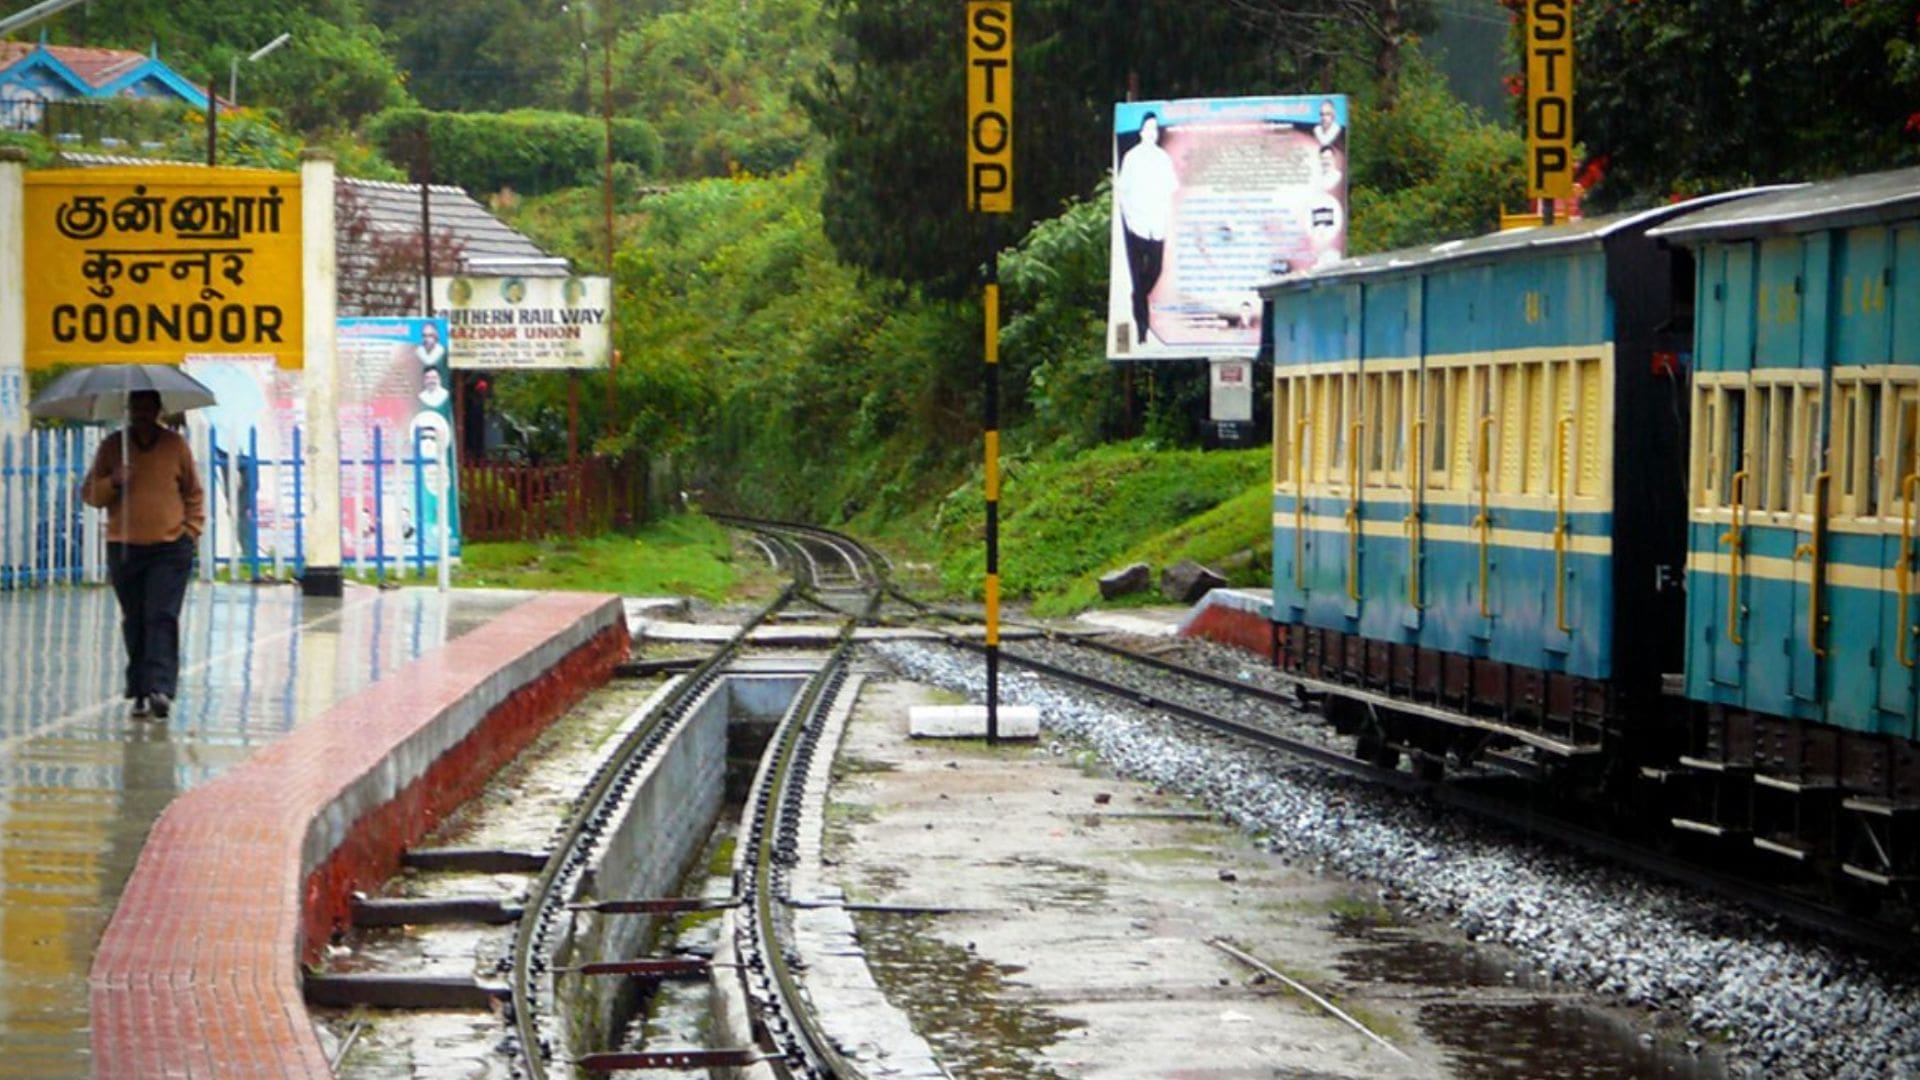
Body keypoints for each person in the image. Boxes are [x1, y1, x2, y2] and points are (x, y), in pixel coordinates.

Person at [81, 390, 206, 721]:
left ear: (158, 410)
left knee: (161, 616)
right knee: (135, 619)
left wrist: (190, 531)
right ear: (129, 409)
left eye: (149, 407)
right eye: (136, 407)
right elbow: (91, 494)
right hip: (125, 546)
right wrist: (114, 480)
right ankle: (138, 689)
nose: (142, 413)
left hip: (169, 548)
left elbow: (193, 492)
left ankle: (160, 689)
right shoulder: (113, 447)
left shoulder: (175, 446)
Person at [1116, 111, 1178, 346]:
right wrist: (1130, 217)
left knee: (1154, 270)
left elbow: (1171, 188)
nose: (1151, 133)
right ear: (1142, 132)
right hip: (1137, 225)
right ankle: (1142, 329)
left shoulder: (1163, 158)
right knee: (1138, 274)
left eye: (1155, 129)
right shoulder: (1132, 158)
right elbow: (1123, 190)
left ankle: (1137, 298)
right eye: (1148, 128)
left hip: (1157, 224)